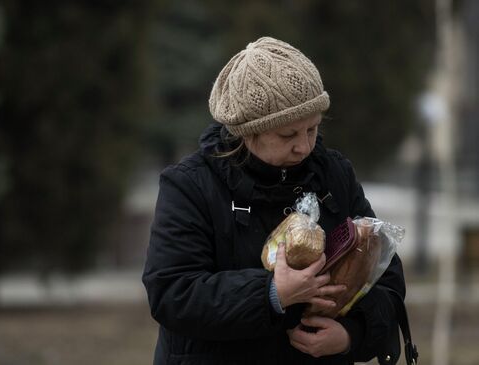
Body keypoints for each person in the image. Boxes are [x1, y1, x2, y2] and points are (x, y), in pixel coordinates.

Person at [142, 37, 407, 365]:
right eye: (288, 135)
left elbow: (386, 276)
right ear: (246, 132)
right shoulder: (190, 186)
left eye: (312, 129)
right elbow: (172, 293)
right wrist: (272, 293)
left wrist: (351, 335)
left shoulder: (334, 175)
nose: (305, 147)